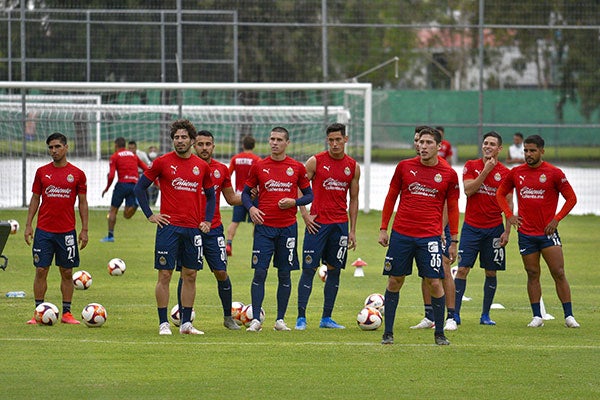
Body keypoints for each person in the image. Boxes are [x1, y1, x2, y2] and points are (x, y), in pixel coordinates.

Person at [378, 127, 459, 346]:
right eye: (420, 142)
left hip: (430, 237)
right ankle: (388, 333)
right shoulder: (404, 167)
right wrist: (384, 227)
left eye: (428, 143)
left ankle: (440, 333)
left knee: (434, 281)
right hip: (401, 235)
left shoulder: (449, 174)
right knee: (395, 280)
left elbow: (453, 207)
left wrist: (454, 240)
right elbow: (391, 196)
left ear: (439, 146)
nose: (422, 146)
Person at [134, 119, 216, 335]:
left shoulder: (202, 166)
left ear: (191, 140)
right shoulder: (162, 162)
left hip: (192, 229)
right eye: (176, 138)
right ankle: (163, 323)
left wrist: (207, 220)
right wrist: (150, 215)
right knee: (165, 275)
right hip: (168, 228)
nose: (180, 141)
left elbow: (211, 196)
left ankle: (186, 324)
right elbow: (140, 188)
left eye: (183, 137)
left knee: (190, 275)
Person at [496, 134, 580, 329]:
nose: (528, 154)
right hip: (526, 234)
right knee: (532, 273)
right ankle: (537, 316)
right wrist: (509, 214)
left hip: (548, 234)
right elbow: (500, 193)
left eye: (532, 150)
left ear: (542, 151)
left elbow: (571, 198)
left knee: (558, 272)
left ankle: (569, 316)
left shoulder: (554, 173)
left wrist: (556, 219)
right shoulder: (516, 172)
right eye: (526, 150)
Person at [242, 127, 313, 332]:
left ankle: (280, 320)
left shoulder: (296, 167)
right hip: (264, 229)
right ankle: (256, 319)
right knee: (260, 272)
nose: (274, 143)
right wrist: (252, 208)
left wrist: (294, 201)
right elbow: (246, 194)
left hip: (287, 229)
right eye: (272, 139)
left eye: (279, 139)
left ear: (287, 143)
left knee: (284, 274)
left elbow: (309, 196)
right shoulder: (259, 166)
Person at [295, 123, 360, 330]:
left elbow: (355, 199)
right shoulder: (315, 161)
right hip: (317, 225)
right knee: (309, 269)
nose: (334, 144)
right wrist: (304, 214)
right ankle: (301, 318)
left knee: (334, 270)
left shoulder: (353, 166)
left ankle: (326, 318)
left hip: (340, 226)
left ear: (345, 139)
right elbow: (298, 186)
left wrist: (352, 230)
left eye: (338, 140)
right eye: (331, 140)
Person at [24, 132, 89, 325]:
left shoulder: (77, 174)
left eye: (58, 146)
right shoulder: (42, 172)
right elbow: (35, 198)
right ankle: (38, 312)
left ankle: (67, 313)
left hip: (67, 232)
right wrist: (28, 224)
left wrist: (84, 229)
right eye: (51, 147)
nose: (54, 151)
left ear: (66, 147)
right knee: (41, 270)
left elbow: (83, 203)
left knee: (67, 272)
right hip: (44, 231)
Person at [185, 130, 242, 330]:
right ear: (194, 146)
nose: (204, 148)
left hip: (214, 230)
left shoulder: (221, 170)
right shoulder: (186, 168)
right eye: (200, 144)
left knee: (221, 272)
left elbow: (232, 198)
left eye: (208, 144)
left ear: (213, 146)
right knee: (188, 273)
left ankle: (228, 317)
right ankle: (185, 318)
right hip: (190, 229)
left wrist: (254, 195)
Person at [454, 131, 512, 326]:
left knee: (491, 272)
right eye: (485, 143)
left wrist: (507, 230)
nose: (488, 146)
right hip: (471, 228)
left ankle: (485, 315)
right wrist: (486, 171)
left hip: (494, 229)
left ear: (499, 149)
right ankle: (455, 314)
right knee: (462, 270)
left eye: (492, 144)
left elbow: (509, 203)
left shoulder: (506, 173)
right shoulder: (471, 166)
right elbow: (468, 190)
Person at [409, 126, 457, 332]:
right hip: (422, 228)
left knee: (444, 269)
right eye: (417, 141)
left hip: (439, 227)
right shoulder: (413, 166)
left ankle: (451, 317)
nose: (419, 145)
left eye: (423, 141)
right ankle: (429, 316)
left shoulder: (443, 168)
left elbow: (448, 204)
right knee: (426, 272)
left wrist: (441, 228)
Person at [100, 137, 148, 242]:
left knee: (113, 210)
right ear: (125, 145)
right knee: (127, 215)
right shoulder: (133, 156)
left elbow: (111, 175)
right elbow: (147, 169)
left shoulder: (115, 156)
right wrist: (157, 183)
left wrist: (107, 188)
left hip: (122, 184)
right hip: (134, 185)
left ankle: (110, 236)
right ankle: (135, 204)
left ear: (116, 145)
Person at [226, 135, 262, 256]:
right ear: (254, 146)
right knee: (256, 222)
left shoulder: (236, 159)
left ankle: (229, 244)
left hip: (240, 196)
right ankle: (257, 246)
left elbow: (228, 175)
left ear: (243, 145)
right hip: (253, 195)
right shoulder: (257, 160)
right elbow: (261, 178)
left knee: (235, 222)